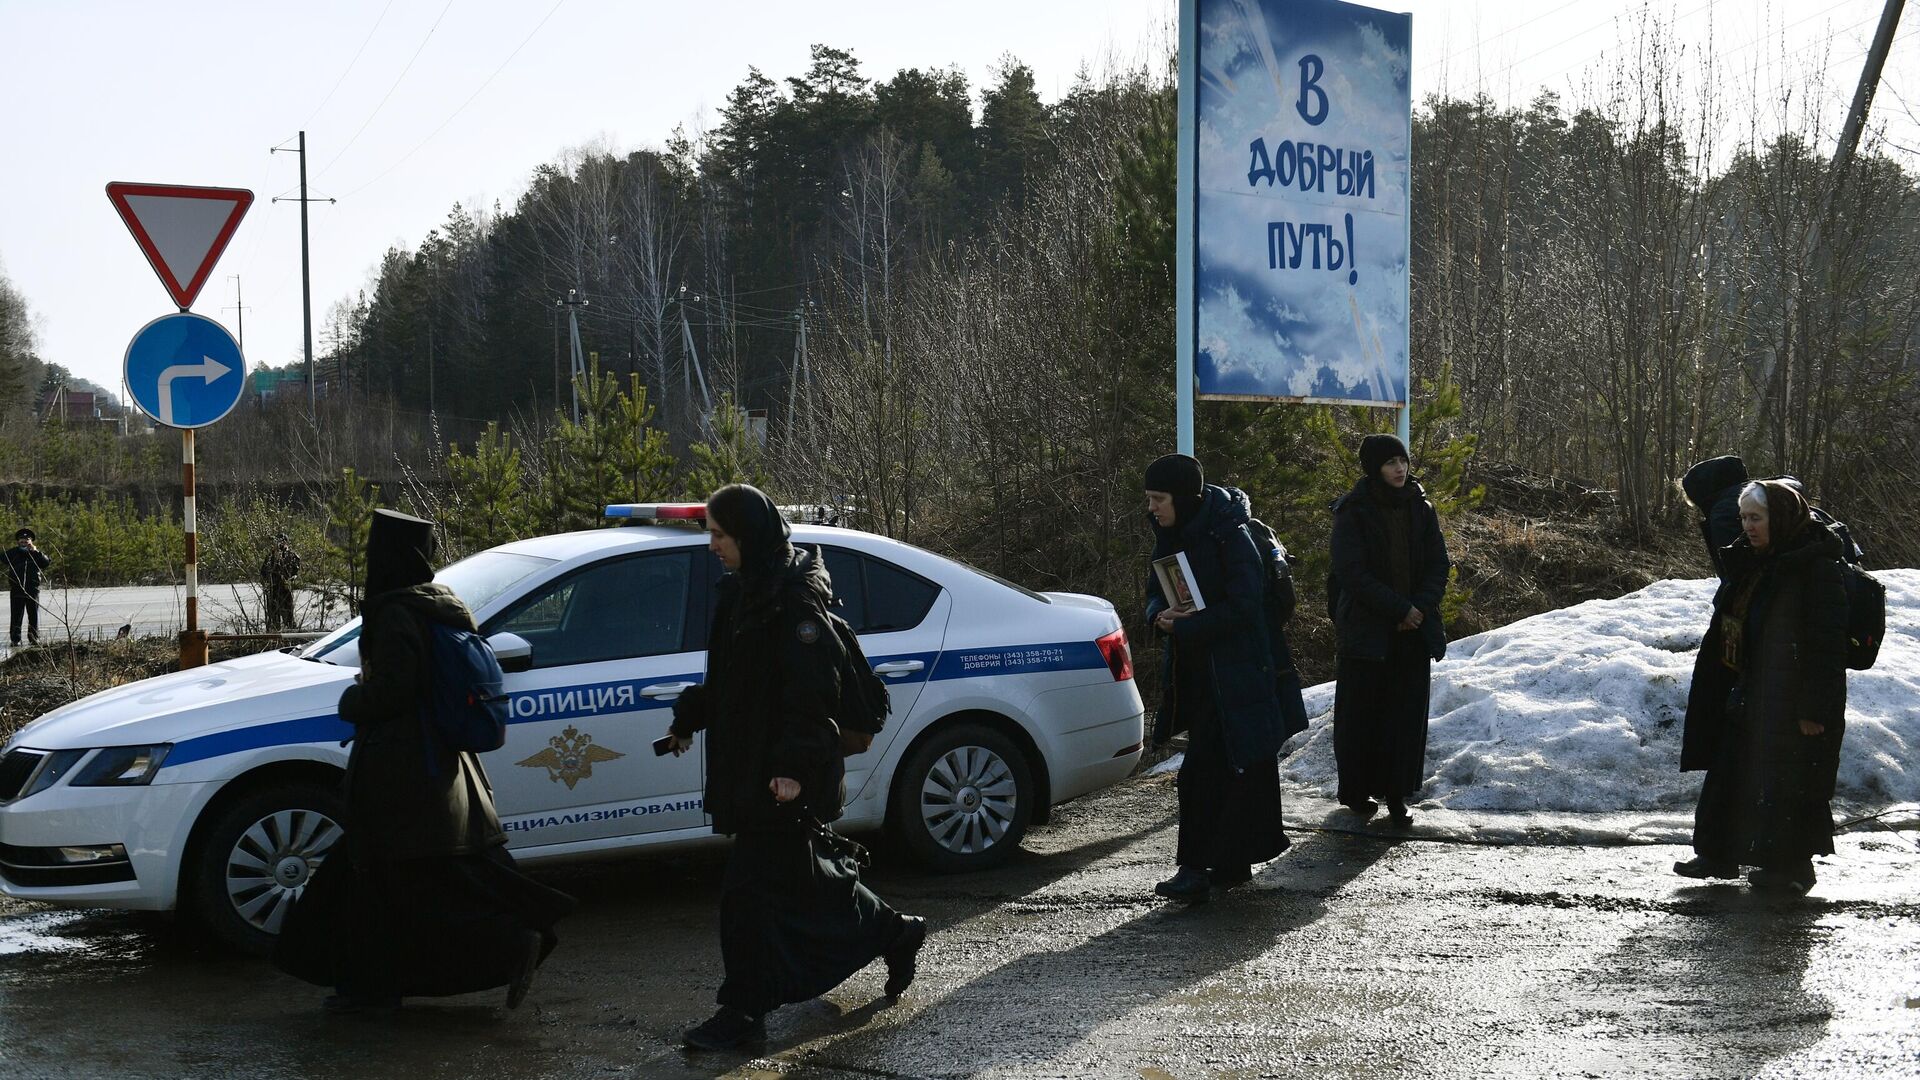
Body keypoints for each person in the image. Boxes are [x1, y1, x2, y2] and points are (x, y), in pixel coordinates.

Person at [275, 509, 573, 1012]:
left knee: (390, 883)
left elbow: (395, 690)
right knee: (409, 883)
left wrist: (353, 701)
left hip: (401, 773)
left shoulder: (394, 612)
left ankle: (384, 984)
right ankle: (372, 987)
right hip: (436, 770)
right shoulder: (438, 605)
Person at [664, 484, 926, 1051]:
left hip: (785, 776)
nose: (712, 546)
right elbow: (732, 683)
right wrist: (689, 719)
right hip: (753, 769)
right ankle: (895, 932)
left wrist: (791, 769)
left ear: (748, 537)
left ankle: (742, 1012)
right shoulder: (742, 593)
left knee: (746, 898)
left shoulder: (794, 603)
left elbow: (811, 697)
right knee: (810, 886)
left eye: (720, 535)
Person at [1675, 480, 1849, 894]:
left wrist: (1813, 711)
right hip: (1749, 690)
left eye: (1757, 518)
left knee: (1787, 782)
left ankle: (1791, 868)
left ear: (1782, 518)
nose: (1748, 527)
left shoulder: (1816, 568)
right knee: (1730, 770)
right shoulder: (1752, 562)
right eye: (1744, 518)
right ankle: (1717, 854)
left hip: (1792, 699)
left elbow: (1826, 648)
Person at [1142, 454, 1289, 903]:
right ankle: (1231, 861)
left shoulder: (1231, 535)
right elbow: (1154, 591)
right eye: (1149, 499)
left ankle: (1194, 869)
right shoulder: (1169, 534)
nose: (1152, 508)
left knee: (1201, 773)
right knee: (1230, 769)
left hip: (1237, 673)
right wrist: (1158, 616)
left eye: (1159, 499)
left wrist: (1184, 625)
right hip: (1198, 675)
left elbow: (1245, 608)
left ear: (1184, 498)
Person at [1328, 434, 1450, 827]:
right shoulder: (1353, 511)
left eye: (1403, 460)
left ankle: (1397, 795)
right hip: (1367, 631)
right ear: (1373, 468)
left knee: (1405, 716)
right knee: (1361, 715)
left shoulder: (1421, 507)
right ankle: (1357, 792)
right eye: (1390, 462)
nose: (1400, 469)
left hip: (1413, 629)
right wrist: (1398, 609)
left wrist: (1418, 609)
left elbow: (1438, 564)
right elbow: (1353, 574)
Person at [6, 527, 50, 647]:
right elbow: (3, 557)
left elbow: (46, 562)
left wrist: (35, 551)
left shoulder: (36, 554)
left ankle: (33, 638)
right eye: (21, 541)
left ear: (31, 542)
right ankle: (15, 639)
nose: (24, 543)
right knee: (16, 616)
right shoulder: (13, 553)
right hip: (16, 590)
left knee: (33, 616)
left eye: (26, 541)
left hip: (32, 590)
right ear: (18, 541)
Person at [261, 531, 301, 632]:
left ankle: (291, 635)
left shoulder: (292, 556)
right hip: (273, 590)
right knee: (274, 619)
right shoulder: (270, 557)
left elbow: (295, 573)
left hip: (285, 590)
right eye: (278, 542)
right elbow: (263, 572)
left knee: (288, 617)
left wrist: (289, 580)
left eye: (282, 542)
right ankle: (274, 635)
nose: (280, 544)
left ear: (286, 542)